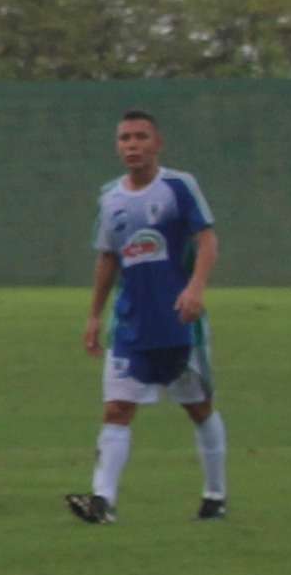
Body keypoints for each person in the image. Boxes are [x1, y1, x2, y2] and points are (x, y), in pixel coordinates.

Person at [66, 108, 223, 525]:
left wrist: (195, 289)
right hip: (131, 322)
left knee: (199, 408)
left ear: (157, 143)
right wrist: (94, 316)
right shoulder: (110, 197)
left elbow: (206, 241)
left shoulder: (178, 186)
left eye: (140, 137)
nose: (132, 145)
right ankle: (103, 502)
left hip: (178, 320)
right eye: (124, 139)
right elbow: (107, 258)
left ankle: (215, 497)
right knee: (117, 409)